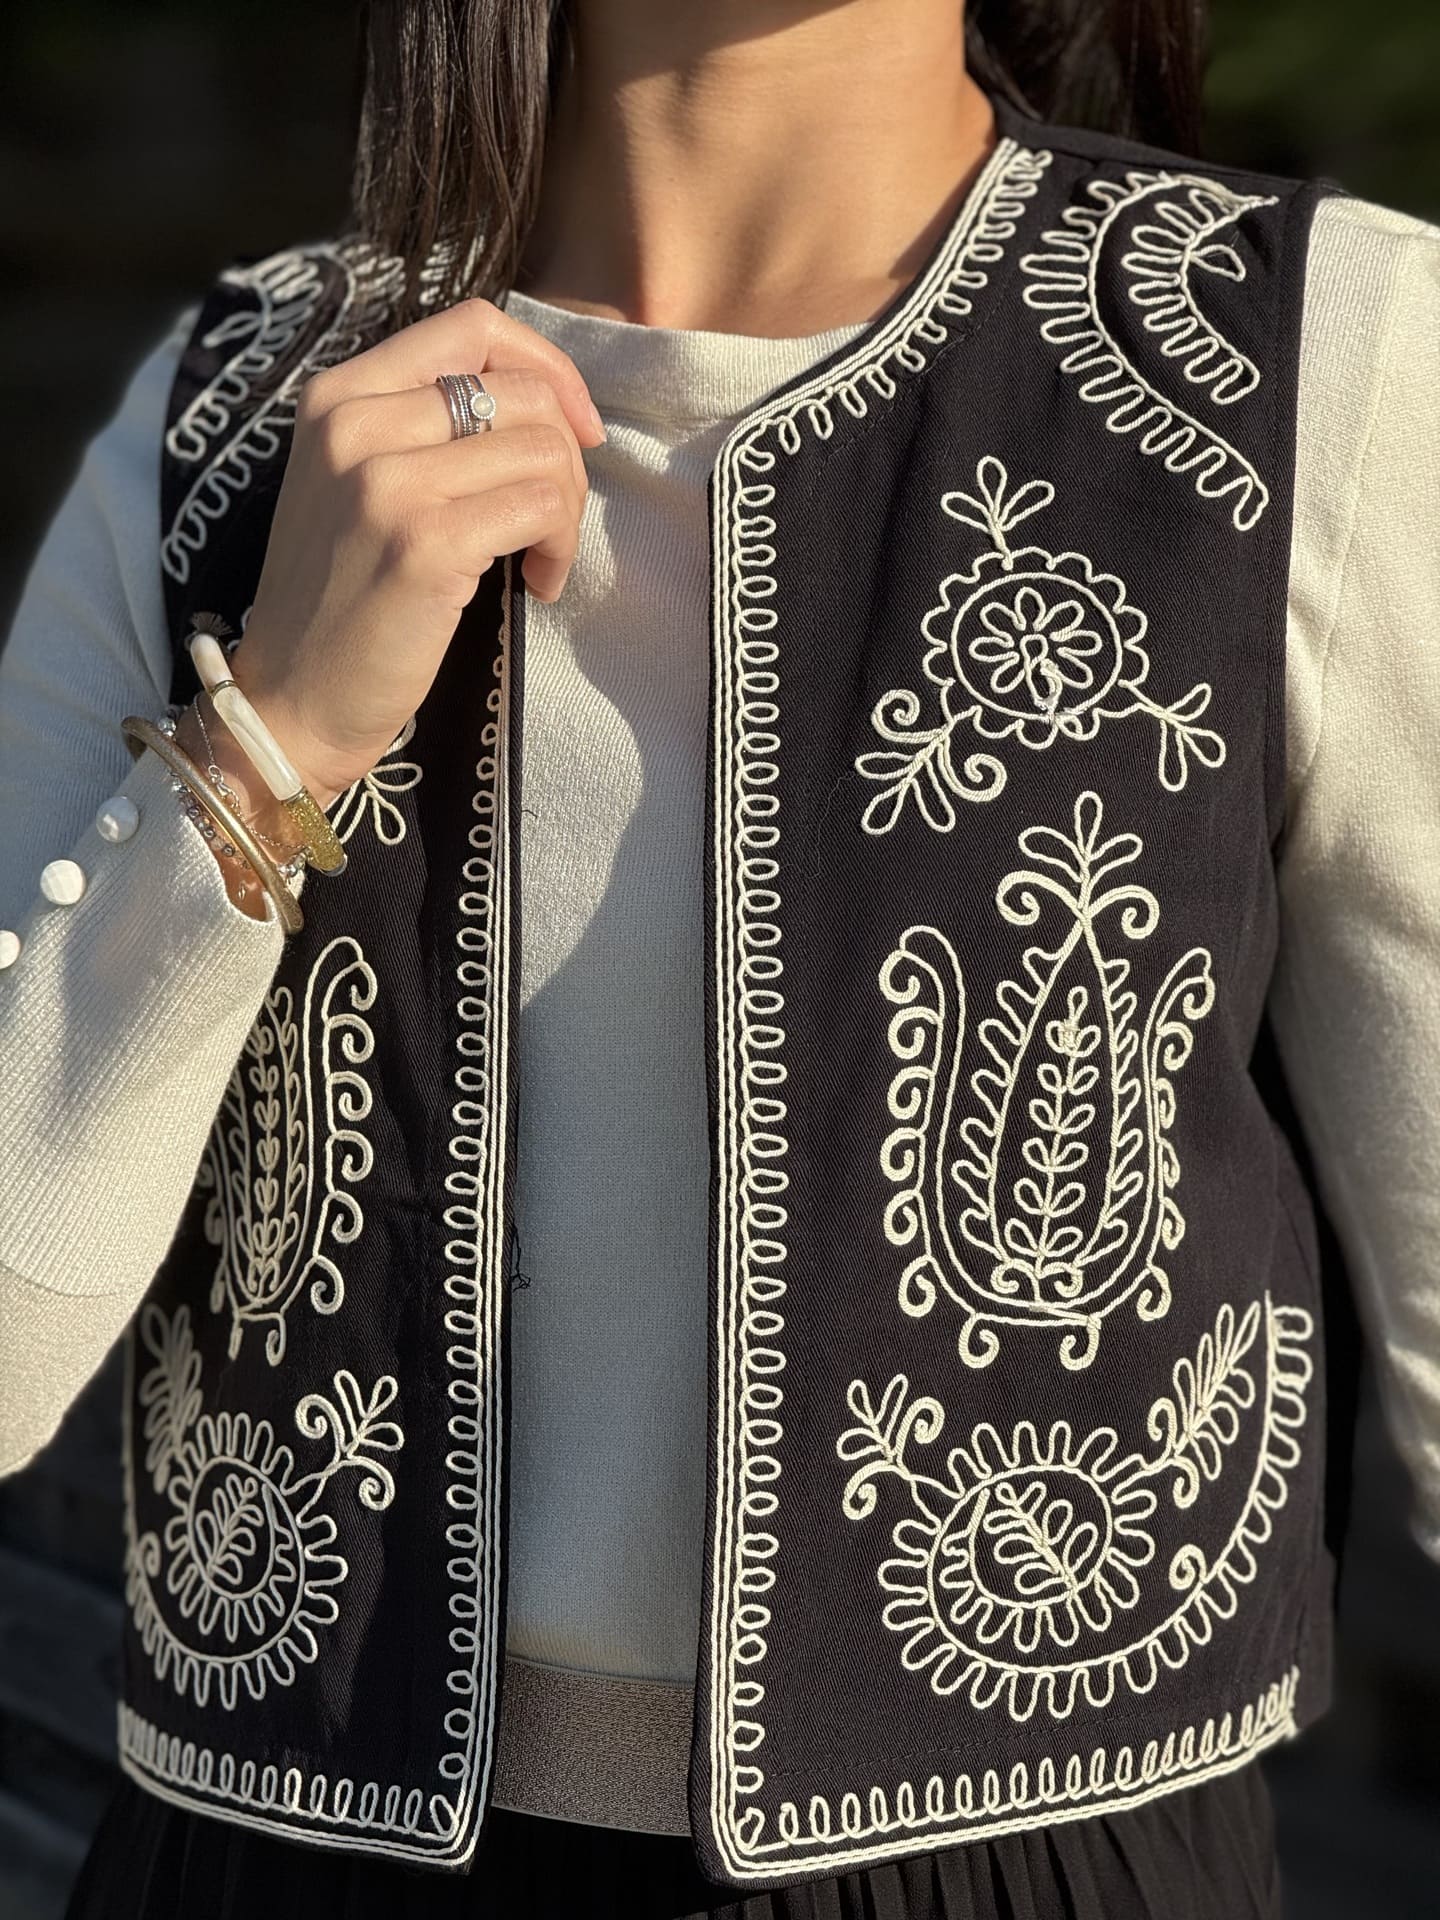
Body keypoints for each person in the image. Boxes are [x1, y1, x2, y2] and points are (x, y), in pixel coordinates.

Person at [2, 2, 1438, 1916]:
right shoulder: (236, 417)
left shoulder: (1314, 358)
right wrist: (273, 740)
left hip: (1047, 1867)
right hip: (262, 1859)